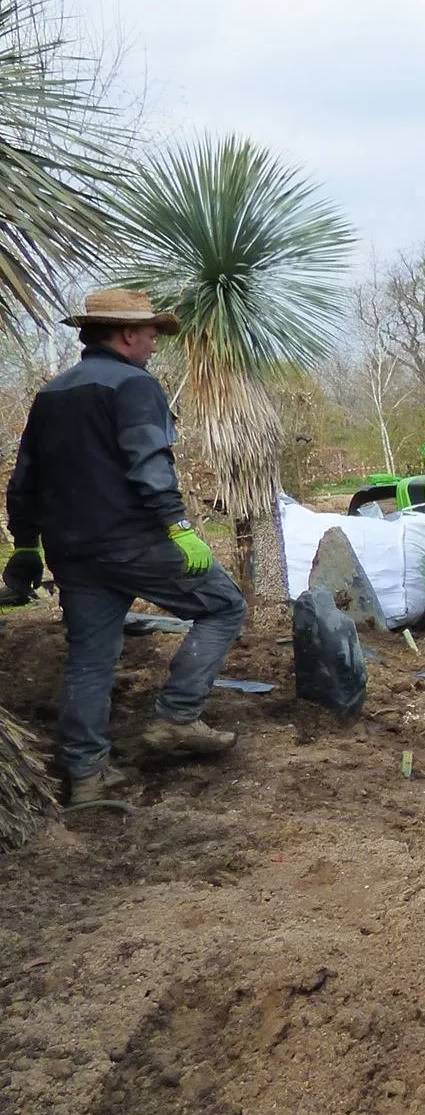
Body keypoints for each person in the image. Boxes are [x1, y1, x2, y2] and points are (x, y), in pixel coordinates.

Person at [4, 289, 247, 803]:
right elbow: (148, 462)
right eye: (152, 334)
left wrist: (25, 546)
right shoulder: (135, 386)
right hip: (132, 541)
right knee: (224, 606)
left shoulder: (51, 394)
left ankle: (89, 778)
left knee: (90, 658)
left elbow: (24, 478)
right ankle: (178, 718)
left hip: (70, 551)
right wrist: (177, 525)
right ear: (129, 334)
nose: (155, 345)